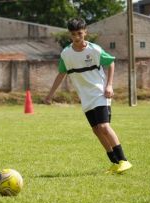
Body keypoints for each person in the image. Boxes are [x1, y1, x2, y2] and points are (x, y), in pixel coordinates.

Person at [44, 18, 132, 174]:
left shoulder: (94, 50)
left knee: (104, 126)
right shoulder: (66, 54)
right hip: (85, 98)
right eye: (73, 34)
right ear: (69, 35)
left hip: (100, 93)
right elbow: (61, 73)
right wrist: (50, 95)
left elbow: (111, 62)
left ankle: (124, 160)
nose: (77, 37)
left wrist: (109, 85)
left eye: (79, 33)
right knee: (96, 130)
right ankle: (114, 163)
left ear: (85, 32)